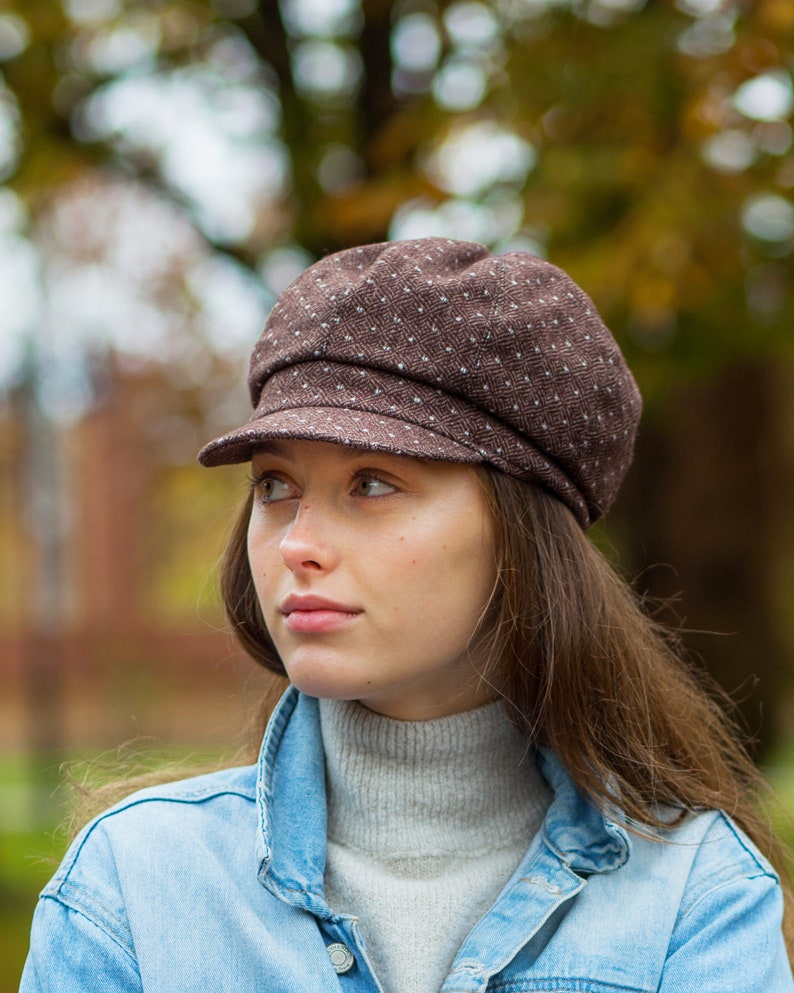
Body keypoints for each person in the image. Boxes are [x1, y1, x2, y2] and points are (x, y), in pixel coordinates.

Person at [20, 237, 793, 992]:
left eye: (373, 483)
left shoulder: (694, 895)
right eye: (274, 485)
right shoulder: (134, 885)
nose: (299, 544)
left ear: (522, 534)